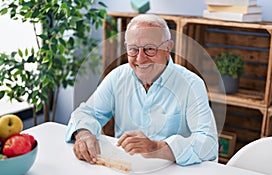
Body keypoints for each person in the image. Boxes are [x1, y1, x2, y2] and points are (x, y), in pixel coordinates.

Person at [65, 14, 218, 166]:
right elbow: (86, 112)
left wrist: (157, 147)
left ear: (168, 48)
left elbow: (208, 144)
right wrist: (84, 134)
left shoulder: (191, 84)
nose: (140, 59)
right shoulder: (118, 76)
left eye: (149, 49)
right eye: (133, 49)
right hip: (127, 169)